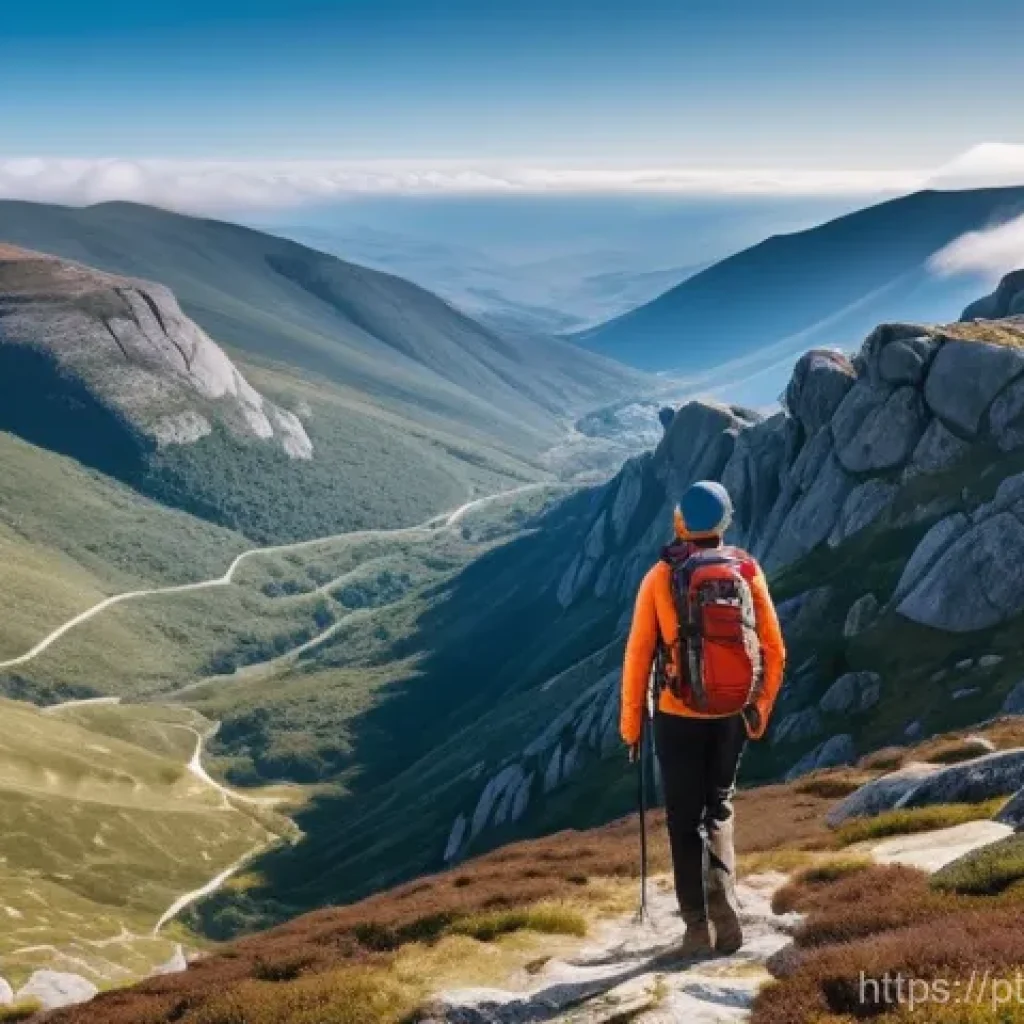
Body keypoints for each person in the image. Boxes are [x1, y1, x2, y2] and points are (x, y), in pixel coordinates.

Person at [620, 480, 786, 957]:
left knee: (682, 819)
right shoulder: (747, 570)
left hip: (677, 714)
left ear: (680, 523)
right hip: (731, 711)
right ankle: (724, 901)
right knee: (719, 808)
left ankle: (696, 927)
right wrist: (759, 708)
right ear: (724, 523)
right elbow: (774, 649)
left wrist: (632, 725)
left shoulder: (659, 576)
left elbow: (637, 656)